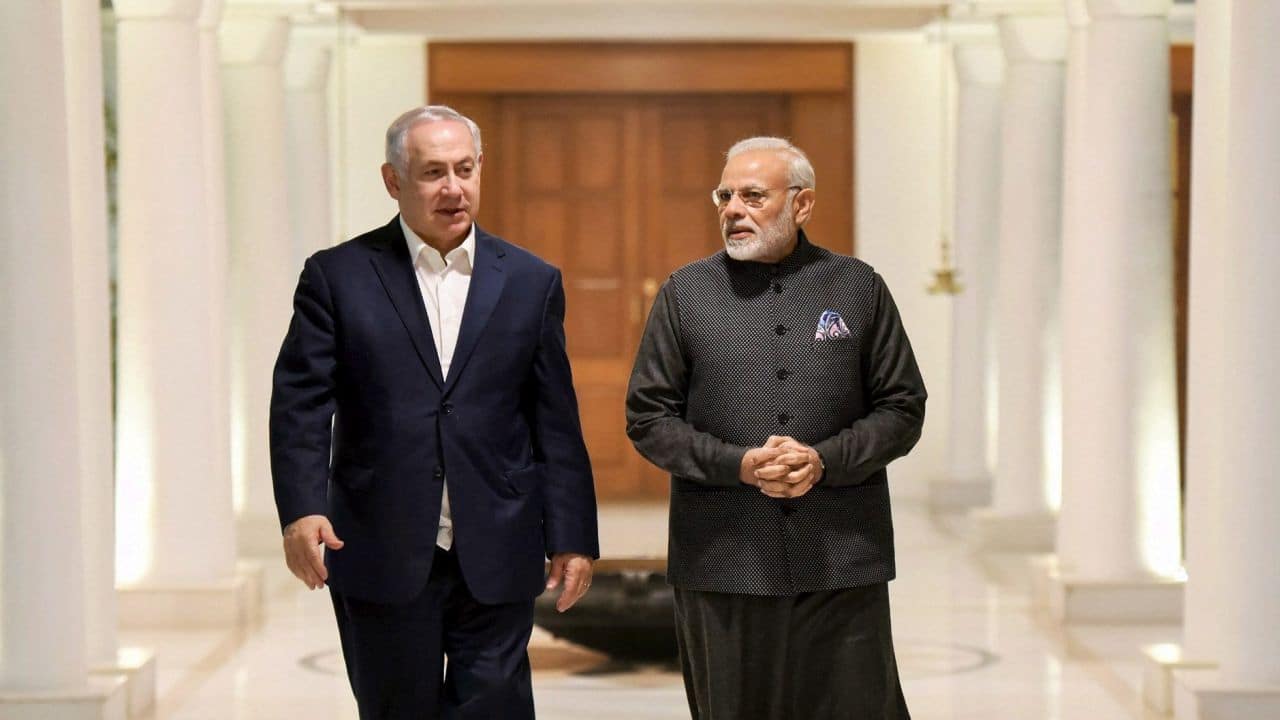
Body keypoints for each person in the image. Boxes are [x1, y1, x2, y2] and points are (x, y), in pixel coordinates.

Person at [269, 105, 598, 720]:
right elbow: (300, 405)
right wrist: (302, 509)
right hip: (379, 543)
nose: (453, 188)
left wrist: (573, 534)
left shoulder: (531, 280)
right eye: (433, 172)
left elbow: (554, 419)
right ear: (393, 180)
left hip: (499, 539)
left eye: (465, 170)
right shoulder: (337, 277)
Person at [625, 136, 925, 719]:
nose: (733, 209)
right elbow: (649, 417)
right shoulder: (685, 294)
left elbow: (902, 406)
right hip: (722, 561)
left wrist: (824, 460)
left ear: (801, 204)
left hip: (842, 558)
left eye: (753, 196)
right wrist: (738, 465)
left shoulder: (857, 287)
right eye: (725, 196)